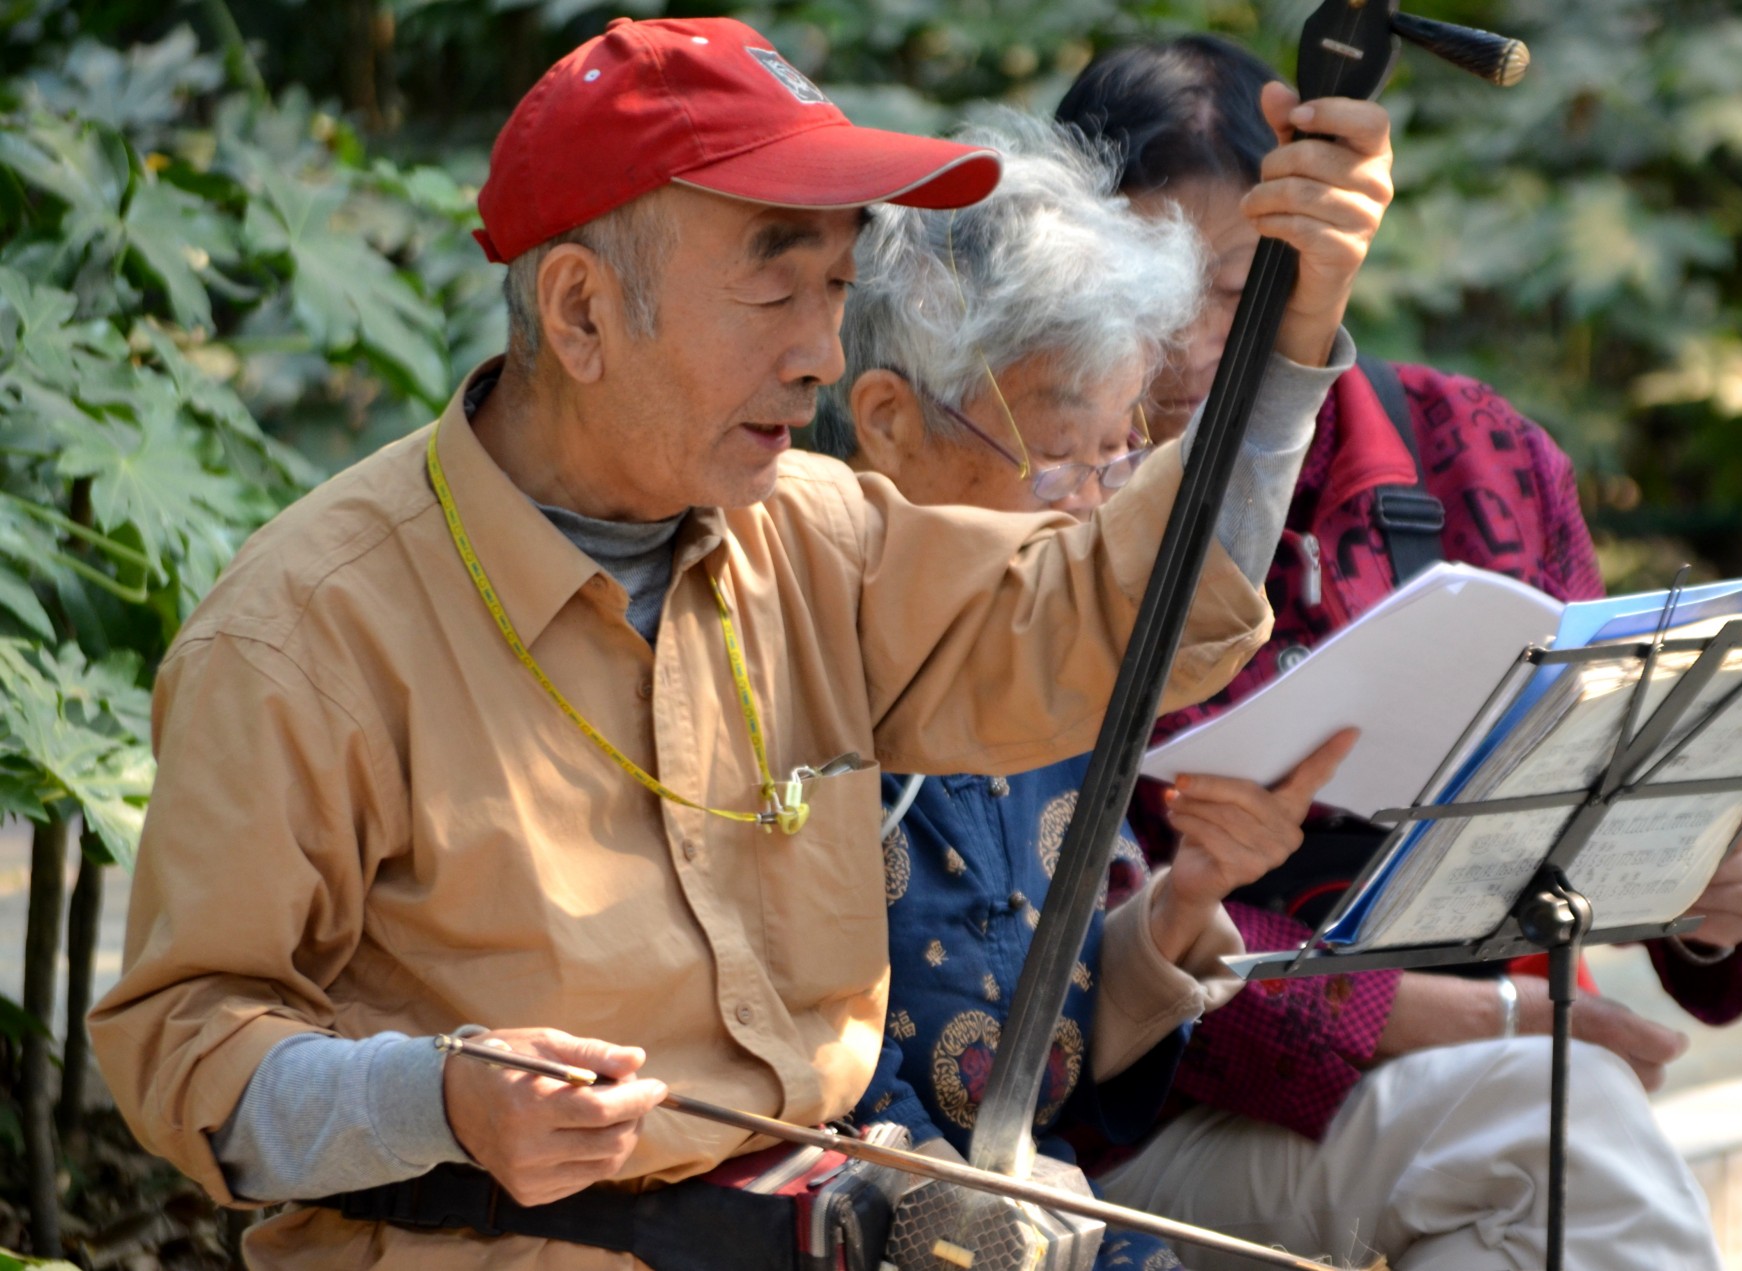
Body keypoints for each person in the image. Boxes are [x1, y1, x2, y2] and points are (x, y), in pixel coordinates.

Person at [86, 18, 1392, 1270]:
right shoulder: (309, 629)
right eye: (776, 284)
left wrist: (1289, 324)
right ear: (583, 312)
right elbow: (181, 1045)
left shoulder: (816, 537)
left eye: (836, 286)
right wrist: (440, 1094)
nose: (823, 354)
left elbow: (1115, 617)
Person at [1054, 35, 1742, 1271]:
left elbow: (1589, 813)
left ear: (1316, 259)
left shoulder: (1484, 447)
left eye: (1229, 293)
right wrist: (1490, 1016)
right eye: (1142, 300)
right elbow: (1084, 949)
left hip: (1478, 1079)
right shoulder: (1058, 495)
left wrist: (1700, 883)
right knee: (1561, 1123)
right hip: (1157, 1105)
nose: (1180, 354)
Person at [812, 114, 1360, 1270]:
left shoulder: (1050, 656)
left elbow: (1034, 1041)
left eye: (1120, 457)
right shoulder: (795, 650)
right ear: (887, 423)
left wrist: (1174, 910)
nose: (1093, 508)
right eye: (1061, 455)